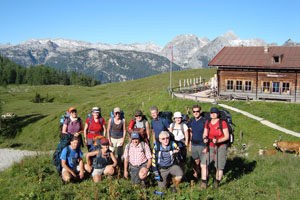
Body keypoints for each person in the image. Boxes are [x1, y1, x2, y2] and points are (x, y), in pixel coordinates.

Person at [201, 107, 229, 189]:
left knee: (219, 166)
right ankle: (204, 182)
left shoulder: (222, 123)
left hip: (221, 146)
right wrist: (205, 138)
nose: (213, 114)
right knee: (203, 164)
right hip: (210, 145)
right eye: (211, 113)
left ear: (218, 114)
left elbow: (227, 136)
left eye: (215, 113)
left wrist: (218, 140)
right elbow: (205, 133)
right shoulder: (208, 122)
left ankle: (217, 182)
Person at [188, 105, 206, 179]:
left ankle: (204, 177)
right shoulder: (191, 120)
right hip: (194, 144)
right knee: (195, 161)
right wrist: (190, 145)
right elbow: (190, 133)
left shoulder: (204, 121)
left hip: (202, 144)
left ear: (200, 111)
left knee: (203, 163)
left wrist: (206, 145)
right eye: (194, 111)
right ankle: (196, 175)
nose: (196, 113)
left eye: (197, 111)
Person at [107, 107, 126, 178]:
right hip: (112, 139)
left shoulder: (123, 120)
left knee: (119, 155)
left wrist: (123, 140)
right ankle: (112, 169)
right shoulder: (111, 120)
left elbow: (124, 130)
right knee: (111, 154)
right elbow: (108, 130)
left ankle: (119, 170)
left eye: (119, 113)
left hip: (120, 139)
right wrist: (109, 140)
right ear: (114, 114)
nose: (118, 114)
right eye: (116, 113)